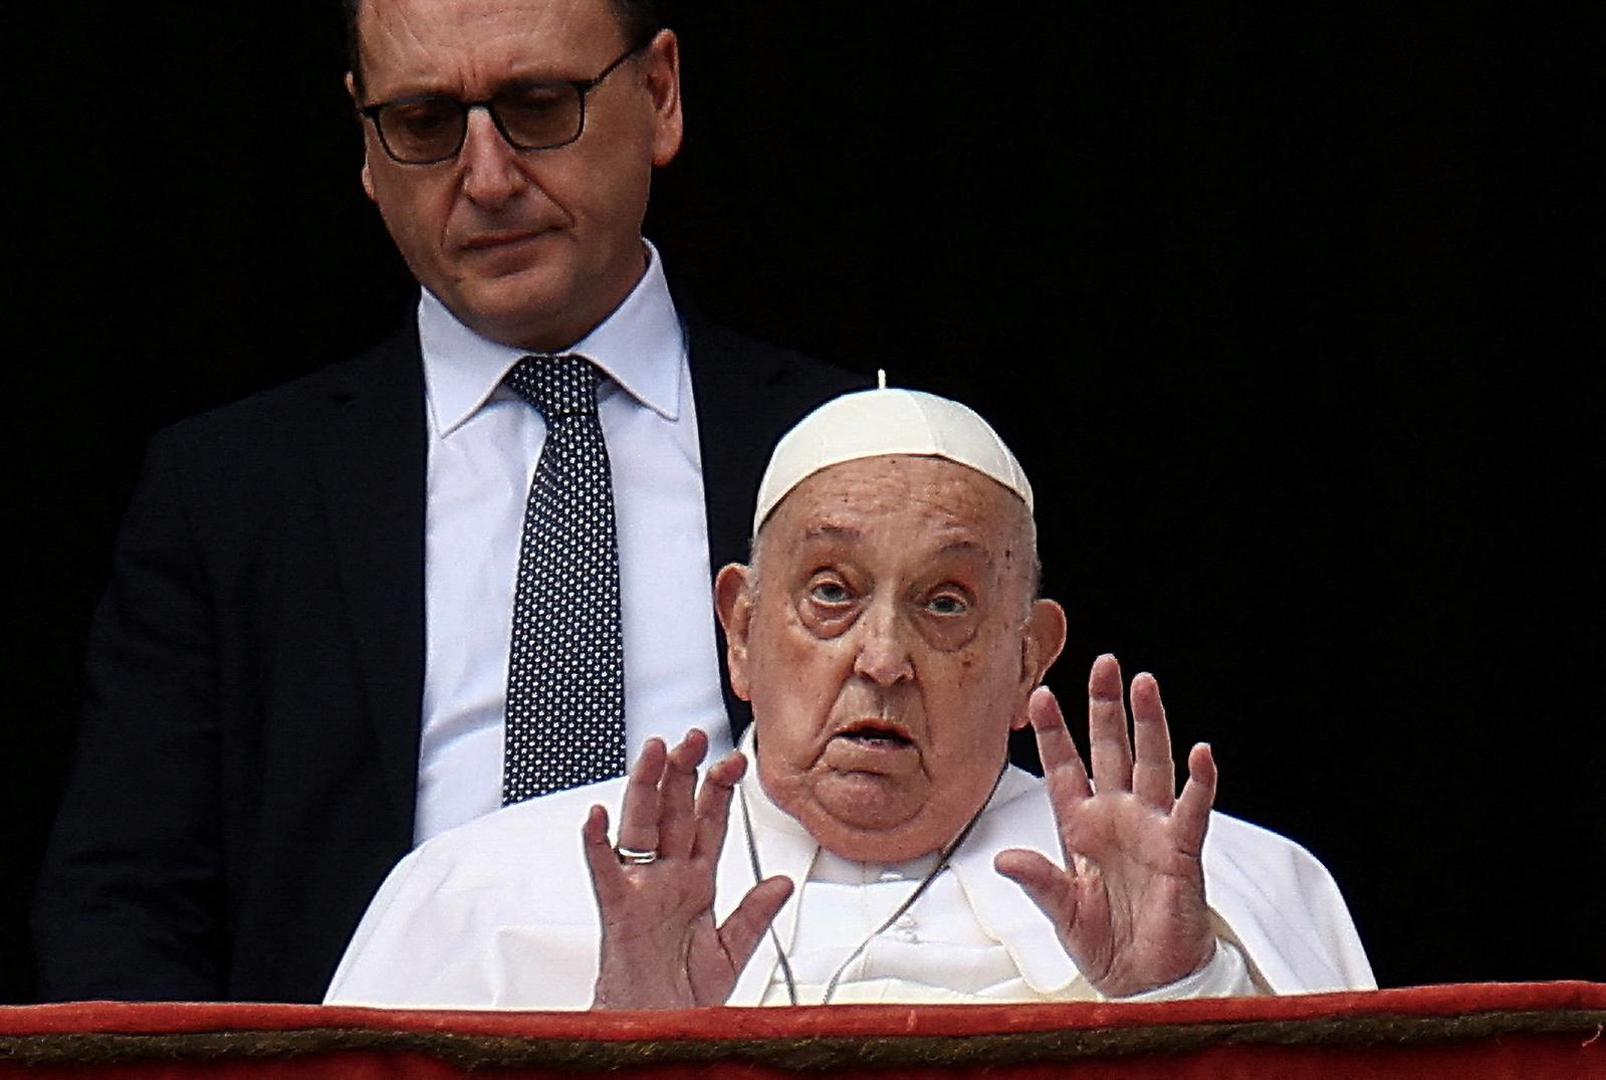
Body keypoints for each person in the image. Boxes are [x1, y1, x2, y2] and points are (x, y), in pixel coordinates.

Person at [33, 0, 859, 1003]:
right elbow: (122, 910)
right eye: (424, 123)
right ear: (366, 143)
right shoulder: (232, 494)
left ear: (660, 94)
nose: (489, 178)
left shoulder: (858, 448)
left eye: (539, 105)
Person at [326, 389, 1374, 1008]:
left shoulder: (1227, 895)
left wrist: (1180, 1003)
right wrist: (622, 1052)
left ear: (1028, 658)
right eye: (830, 592)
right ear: (740, 629)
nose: (882, 658)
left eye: (946, 603)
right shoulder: (480, 897)